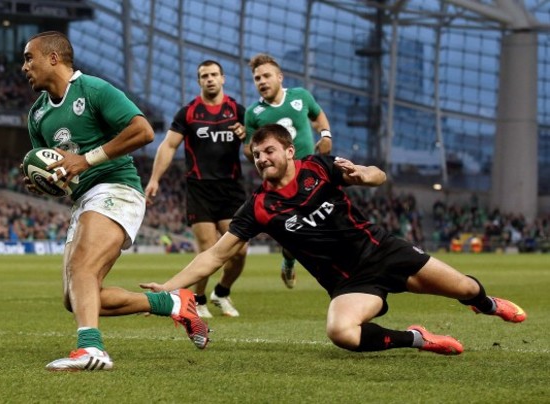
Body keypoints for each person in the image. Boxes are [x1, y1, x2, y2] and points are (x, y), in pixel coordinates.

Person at [142, 124, 526, 356]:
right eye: (256, 155)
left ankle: (488, 304)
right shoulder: (258, 207)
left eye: (269, 151)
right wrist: (170, 289)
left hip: (384, 250)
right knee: (341, 333)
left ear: (289, 151)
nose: (261, 159)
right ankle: (418, 339)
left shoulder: (319, 166)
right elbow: (215, 254)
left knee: (466, 287)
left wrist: (363, 175)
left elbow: (378, 175)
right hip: (350, 282)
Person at [21, 31, 208, 371]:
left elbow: (144, 130)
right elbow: (58, 167)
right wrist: (46, 183)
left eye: (29, 57)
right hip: (82, 201)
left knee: (82, 269)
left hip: (116, 188)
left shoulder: (93, 90)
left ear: (53, 58)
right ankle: (172, 303)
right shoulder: (37, 116)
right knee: (76, 296)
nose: (24, 67)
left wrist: (87, 160)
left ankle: (91, 350)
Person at [145, 60, 248, 318]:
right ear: (199, 81)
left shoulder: (238, 111)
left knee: (240, 251)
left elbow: (254, 149)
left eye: (214, 74)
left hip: (231, 189)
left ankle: (221, 292)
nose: (210, 79)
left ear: (223, 78)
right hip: (200, 189)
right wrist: (155, 178)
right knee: (208, 247)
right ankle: (198, 300)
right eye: (205, 76)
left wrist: (248, 136)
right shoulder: (188, 112)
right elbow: (168, 146)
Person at [244, 53, 333, 289]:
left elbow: (318, 115)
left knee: (327, 220)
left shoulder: (301, 96)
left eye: (266, 76)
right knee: (293, 230)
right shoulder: (253, 113)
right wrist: (256, 153)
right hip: (284, 180)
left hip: (312, 170)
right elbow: (248, 149)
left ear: (279, 77)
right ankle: (289, 259)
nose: (261, 81)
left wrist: (325, 135)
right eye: (256, 78)